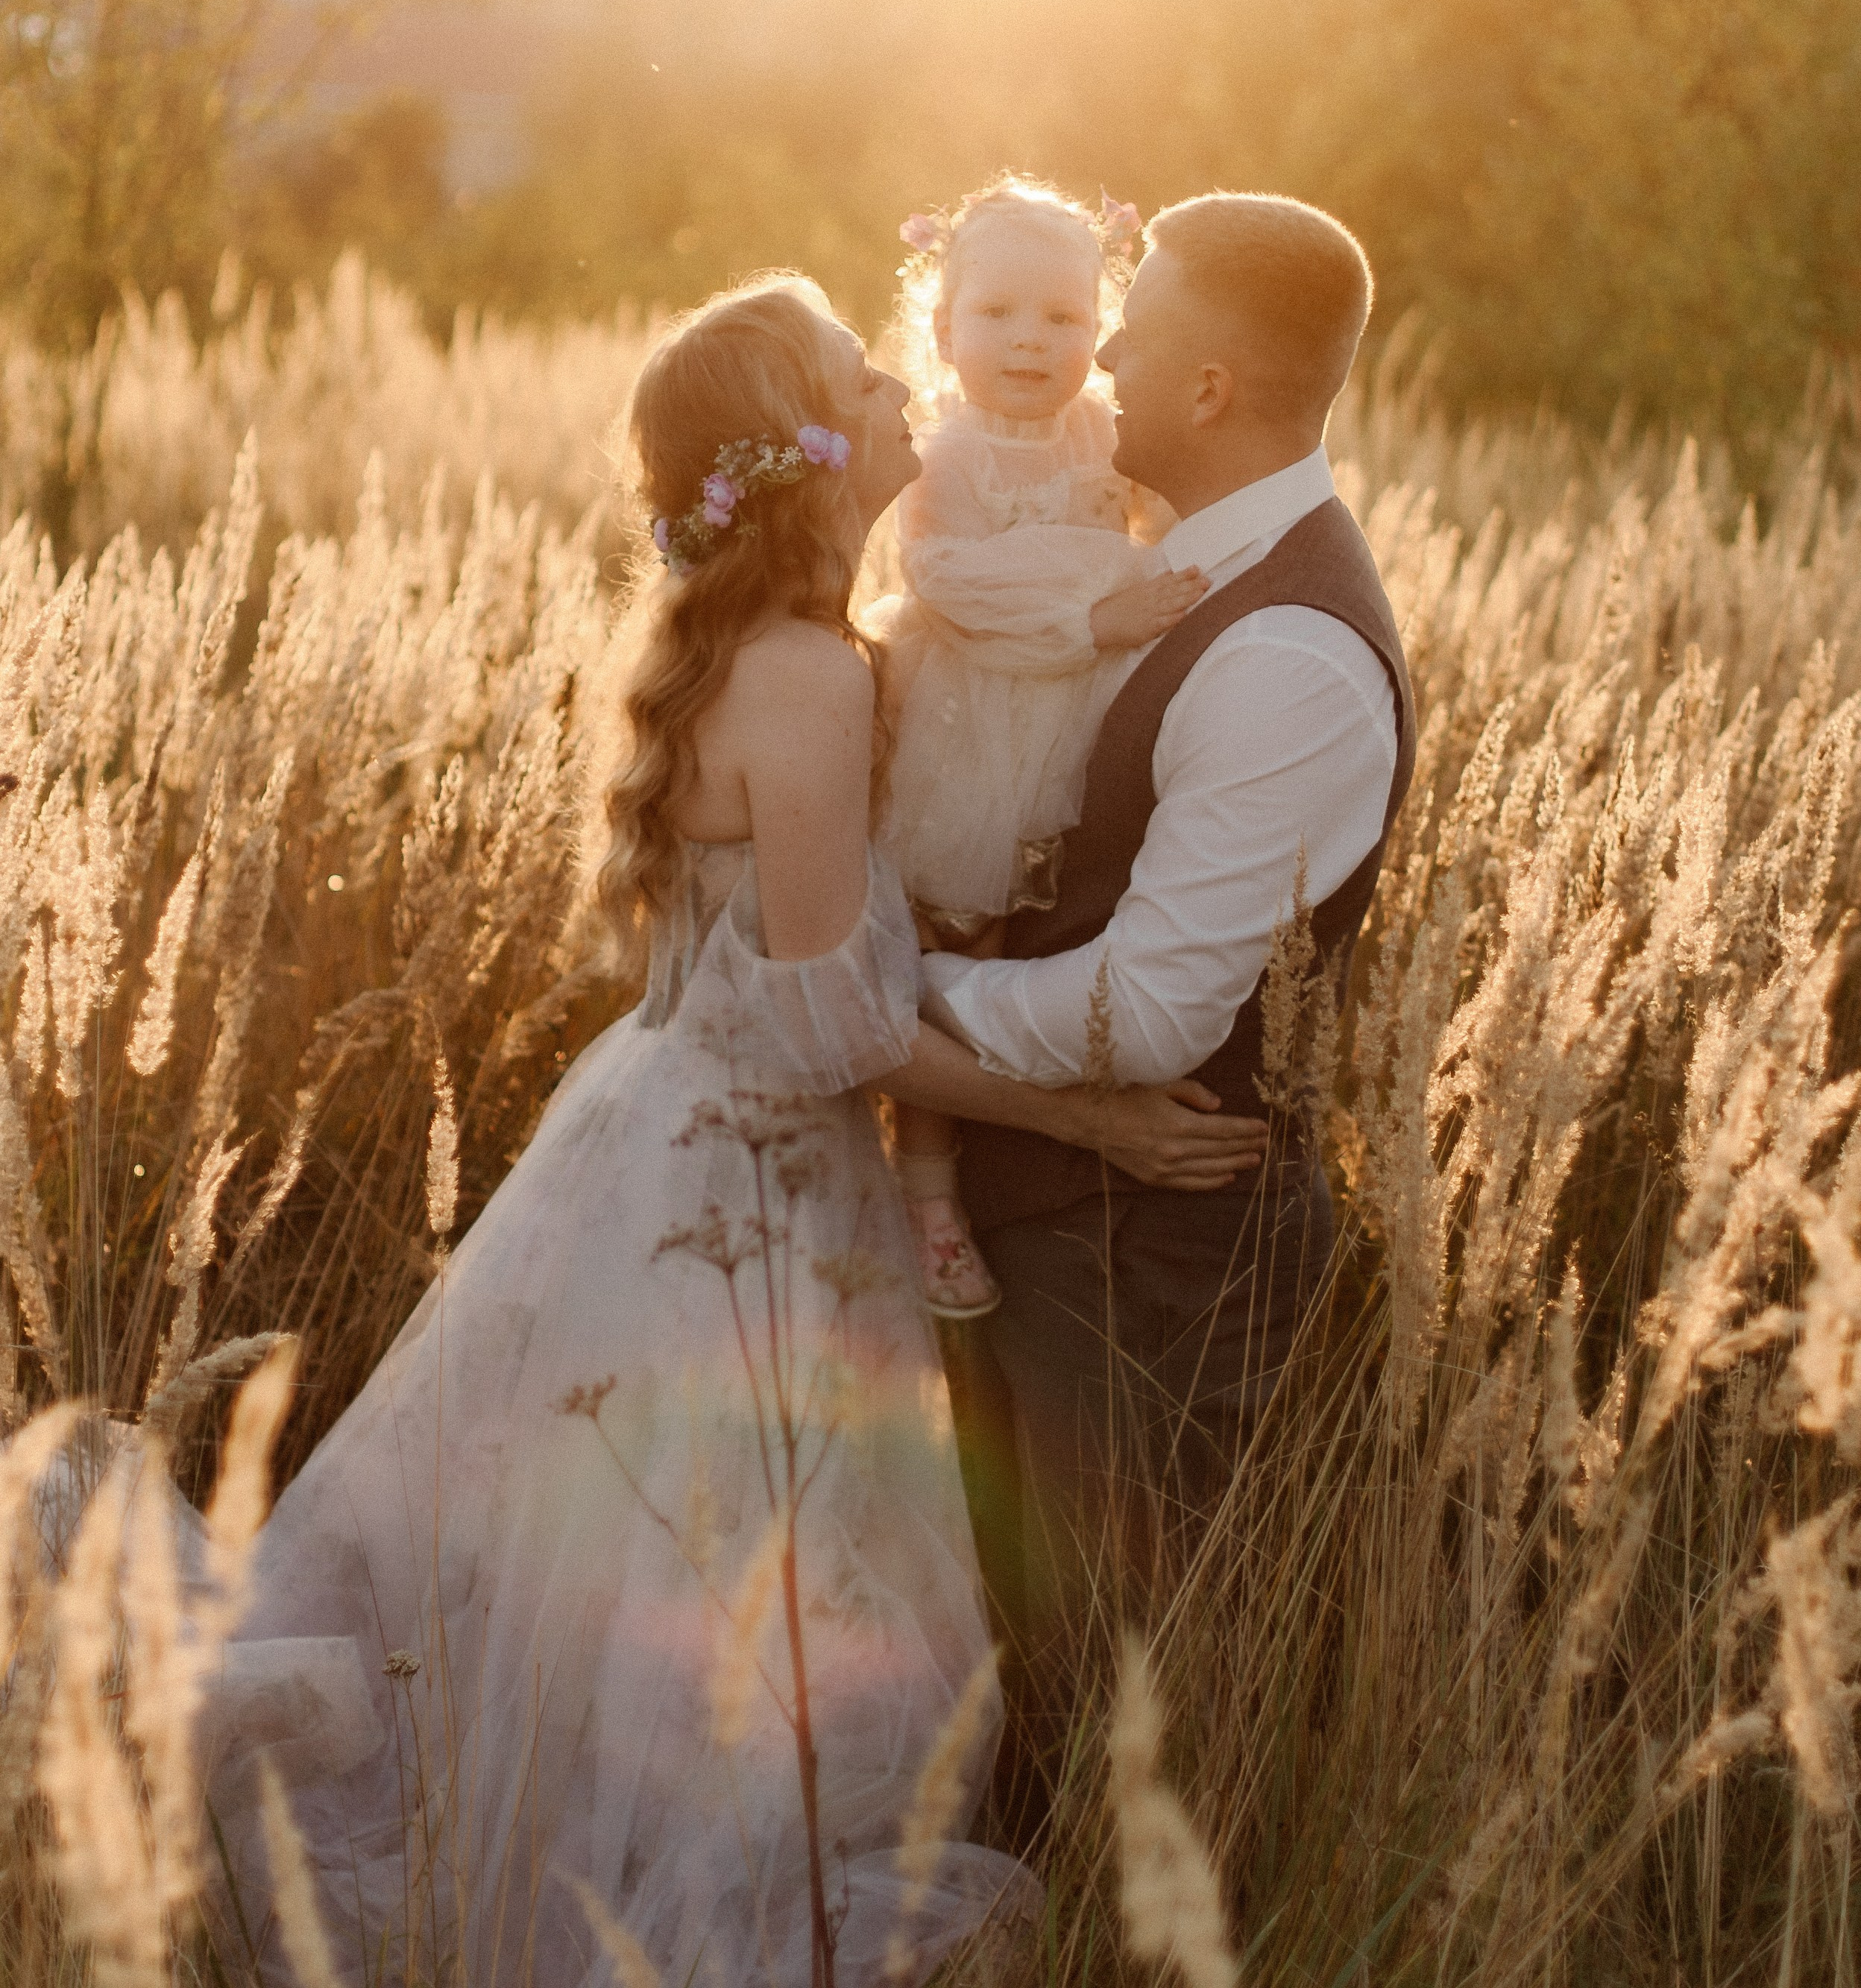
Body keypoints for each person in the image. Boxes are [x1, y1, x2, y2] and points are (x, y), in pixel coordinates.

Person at [204, 277, 1260, 1988]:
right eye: (870, 372)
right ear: (814, 447)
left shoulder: (764, 652)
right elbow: (836, 1028)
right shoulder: (806, 678)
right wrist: (1103, 1121)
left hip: (654, 1131)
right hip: (747, 1178)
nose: (911, 386)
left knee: (640, 1576)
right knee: (726, 1578)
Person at [921, 192, 1417, 1694]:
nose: (1105, 352)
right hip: (1081, 1226)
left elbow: (1142, 1014)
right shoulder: (1179, 572)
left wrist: (895, 994)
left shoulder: (1284, 652)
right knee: (1052, 1678)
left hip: (1153, 1267)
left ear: (1209, 390)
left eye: (1134, 329)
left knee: (1135, 1693)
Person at [875, 177, 1209, 1319]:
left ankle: (1045, 1167)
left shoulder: (1103, 433)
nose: (1032, 340)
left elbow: (1173, 515)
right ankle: (927, 1193)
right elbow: (948, 585)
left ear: (1100, 334)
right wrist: (1087, 616)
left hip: (1077, 727)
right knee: (942, 956)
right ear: (943, 330)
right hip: (967, 731)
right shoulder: (943, 456)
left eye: (1064, 319)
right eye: (1000, 314)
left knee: (1046, 939)